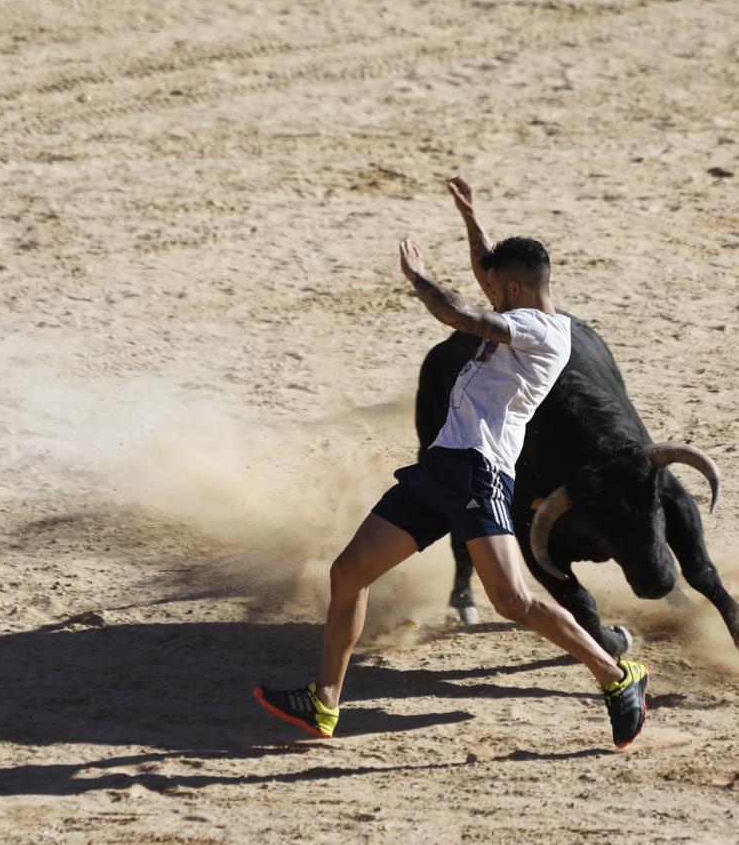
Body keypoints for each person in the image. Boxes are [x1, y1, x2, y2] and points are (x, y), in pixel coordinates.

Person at [254, 177, 650, 748]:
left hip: (479, 474)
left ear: (515, 288)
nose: (488, 290)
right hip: (440, 471)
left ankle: (618, 677)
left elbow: (459, 315)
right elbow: (488, 276)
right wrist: (471, 219)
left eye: (497, 287)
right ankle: (325, 703)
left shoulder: (540, 331)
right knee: (349, 573)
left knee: (512, 601)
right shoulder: (519, 307)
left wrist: (417, 280)